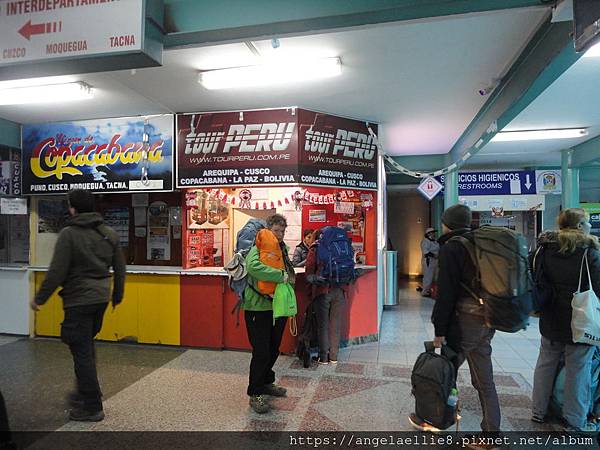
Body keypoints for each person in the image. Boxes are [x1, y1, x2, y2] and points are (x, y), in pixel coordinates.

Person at [30, 189, 126, 422]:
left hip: (78, 300)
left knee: (81, 351)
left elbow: (56, 272)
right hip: (101, 299)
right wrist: (117, 296)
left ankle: (92, 405)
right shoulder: (108, 233)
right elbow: (120, 269)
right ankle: (83, 392)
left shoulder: (69, 234)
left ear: (72, 208)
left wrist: (40, 298)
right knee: (85, 347)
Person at [422, 204, 501, 441]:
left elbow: (446, 294)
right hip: (488, 317)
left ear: (447, 223)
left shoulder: (452, 247)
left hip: (465, 321)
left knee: (443, 371)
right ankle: (491, 430)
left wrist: (439, 330)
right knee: (484, 379)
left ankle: (436, 419)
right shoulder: (483, 243)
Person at [530, 209, 600, 432]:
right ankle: (574, 419)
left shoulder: (546, 248)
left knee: (545, 364)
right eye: (587, 222)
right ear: (579, 226)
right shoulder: (589, 252)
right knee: (578, 369)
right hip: (581, 320)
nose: (589, 226)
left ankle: (538, 412)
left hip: (551, 316)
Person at [242, 214, 295, 414]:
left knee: (273, 349)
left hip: (277, 307)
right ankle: (255, 393)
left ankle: (265, 382)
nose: (280, 234)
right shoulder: (257, 248)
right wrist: (280, 275)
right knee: (262, 351)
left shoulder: (282, 250)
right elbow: (253, 267)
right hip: (257, 308)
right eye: (276, 231)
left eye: (283, 231)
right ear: (267, 230)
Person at [305, 229, 346, 365]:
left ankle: (323, 357)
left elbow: (309, 271)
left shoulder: (315, 248)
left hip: (322, 291)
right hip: (339, 290)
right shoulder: (339, 246)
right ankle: (333, 356)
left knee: (323, 325)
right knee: (335, 325)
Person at [420, 228, 439, 297]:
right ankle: (425, 291)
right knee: (428, 277)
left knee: (435, 276)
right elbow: (426, 252)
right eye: (432, 232)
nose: (434, 234)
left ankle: (432, 290)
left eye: (434, 232)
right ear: (428, 234)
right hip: (429, 261)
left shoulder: (435, 241)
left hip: (436, 261)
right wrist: (434, 255)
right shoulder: (425, 242)